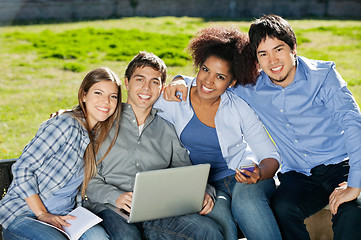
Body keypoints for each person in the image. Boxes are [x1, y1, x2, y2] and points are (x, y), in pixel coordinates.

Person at [165, 15, 361, 240]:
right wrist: (179, 80)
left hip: (340, 165)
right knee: (282, 209)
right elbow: (212, 80)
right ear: (256, 60)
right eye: (263, 54)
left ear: (293, 48)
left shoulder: (324, 77)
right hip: (298, 174)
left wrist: (355, 184)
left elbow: (354, 124)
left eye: (278, 49)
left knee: (352, 212)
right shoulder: (252, 86)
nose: (273, 61)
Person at [155, 26, 282, 240]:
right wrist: (176, 79)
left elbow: (271, 156)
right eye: (205, 69)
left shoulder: (238, 106)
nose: (208, 81)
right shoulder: (175, 97)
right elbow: (138, 112)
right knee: (223, 225)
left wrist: (259, 173)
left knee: (246, 203)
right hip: (202, 185)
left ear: (232, 82)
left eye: (220, 76)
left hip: (241, 176)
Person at [84, 51, 223, 240]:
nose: (146, 88)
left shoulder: (167, 130)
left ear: (161, 88)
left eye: (154, 82)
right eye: (139, 80)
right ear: (126, 83)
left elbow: (187, 171)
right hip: (109, 207)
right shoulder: (103, 122)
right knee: (127, 236)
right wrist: (115, 195)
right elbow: (86, 179)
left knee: (208, 230)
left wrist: (205, 191)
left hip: (155, 210)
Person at [0, 67, 123, 240]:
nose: (106, 101)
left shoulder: (99, 136)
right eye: (98, 93)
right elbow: (22, 168)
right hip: (24, 213)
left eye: (113, 96)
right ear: (84, 96)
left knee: (99, 238)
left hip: (66, 215)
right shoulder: (64, 125)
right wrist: (43, 214)